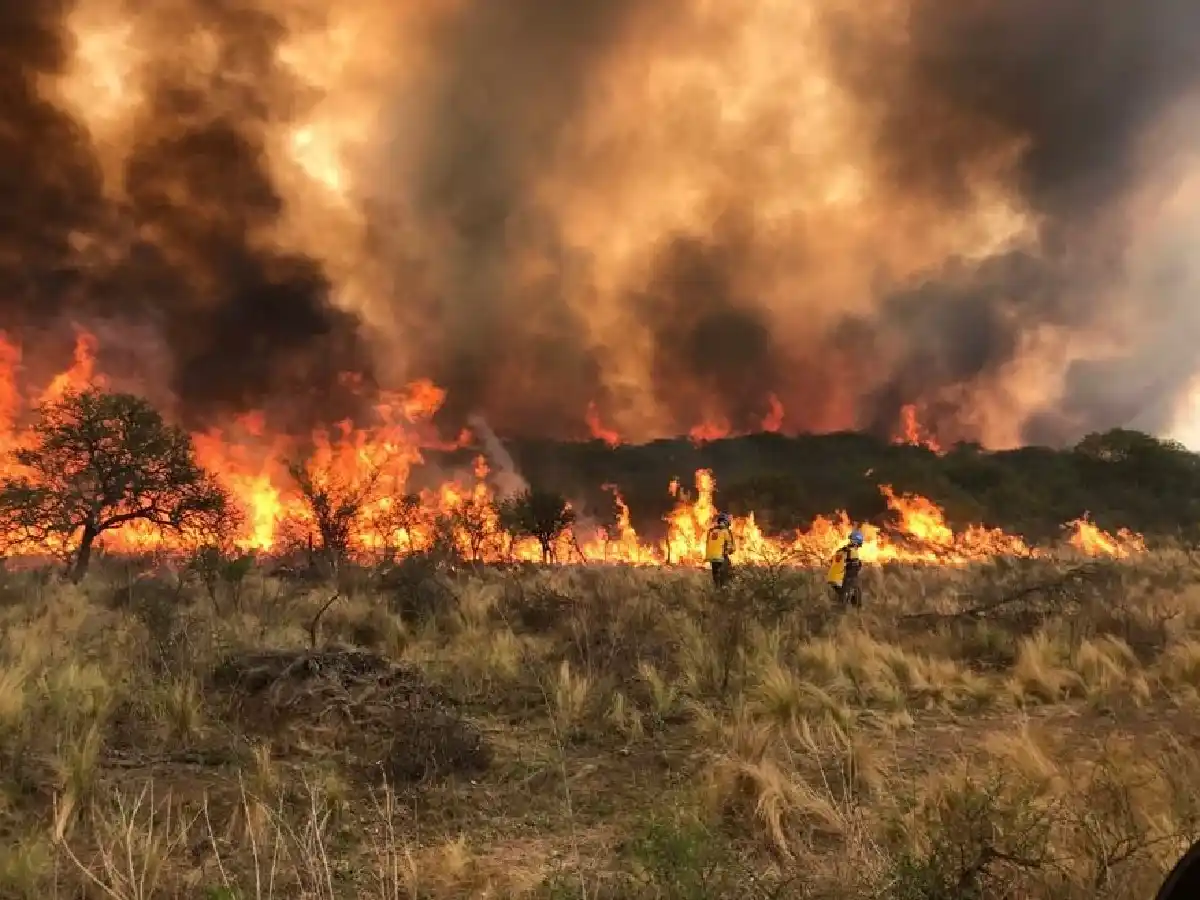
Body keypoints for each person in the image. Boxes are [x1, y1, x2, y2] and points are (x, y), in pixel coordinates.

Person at [827, 529, 864, 607]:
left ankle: (840, 605)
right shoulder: (853, 551)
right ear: (857, 541)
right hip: (844, 578)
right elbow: (855, 566)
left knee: (842, 594)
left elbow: (833, 561)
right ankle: (852, 609)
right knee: (852, 591)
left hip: (832, 578)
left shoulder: (842, 550)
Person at [705, 512, 736, 587]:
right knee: (729, 572)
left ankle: (717, 588)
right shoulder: (726, 531)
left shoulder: (711, 531)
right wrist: (730, 551)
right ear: (726, 522)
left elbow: (708, 543)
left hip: (711, 557)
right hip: (721, 556)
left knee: (715, 575)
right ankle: (724, 588)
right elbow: (731, 547)